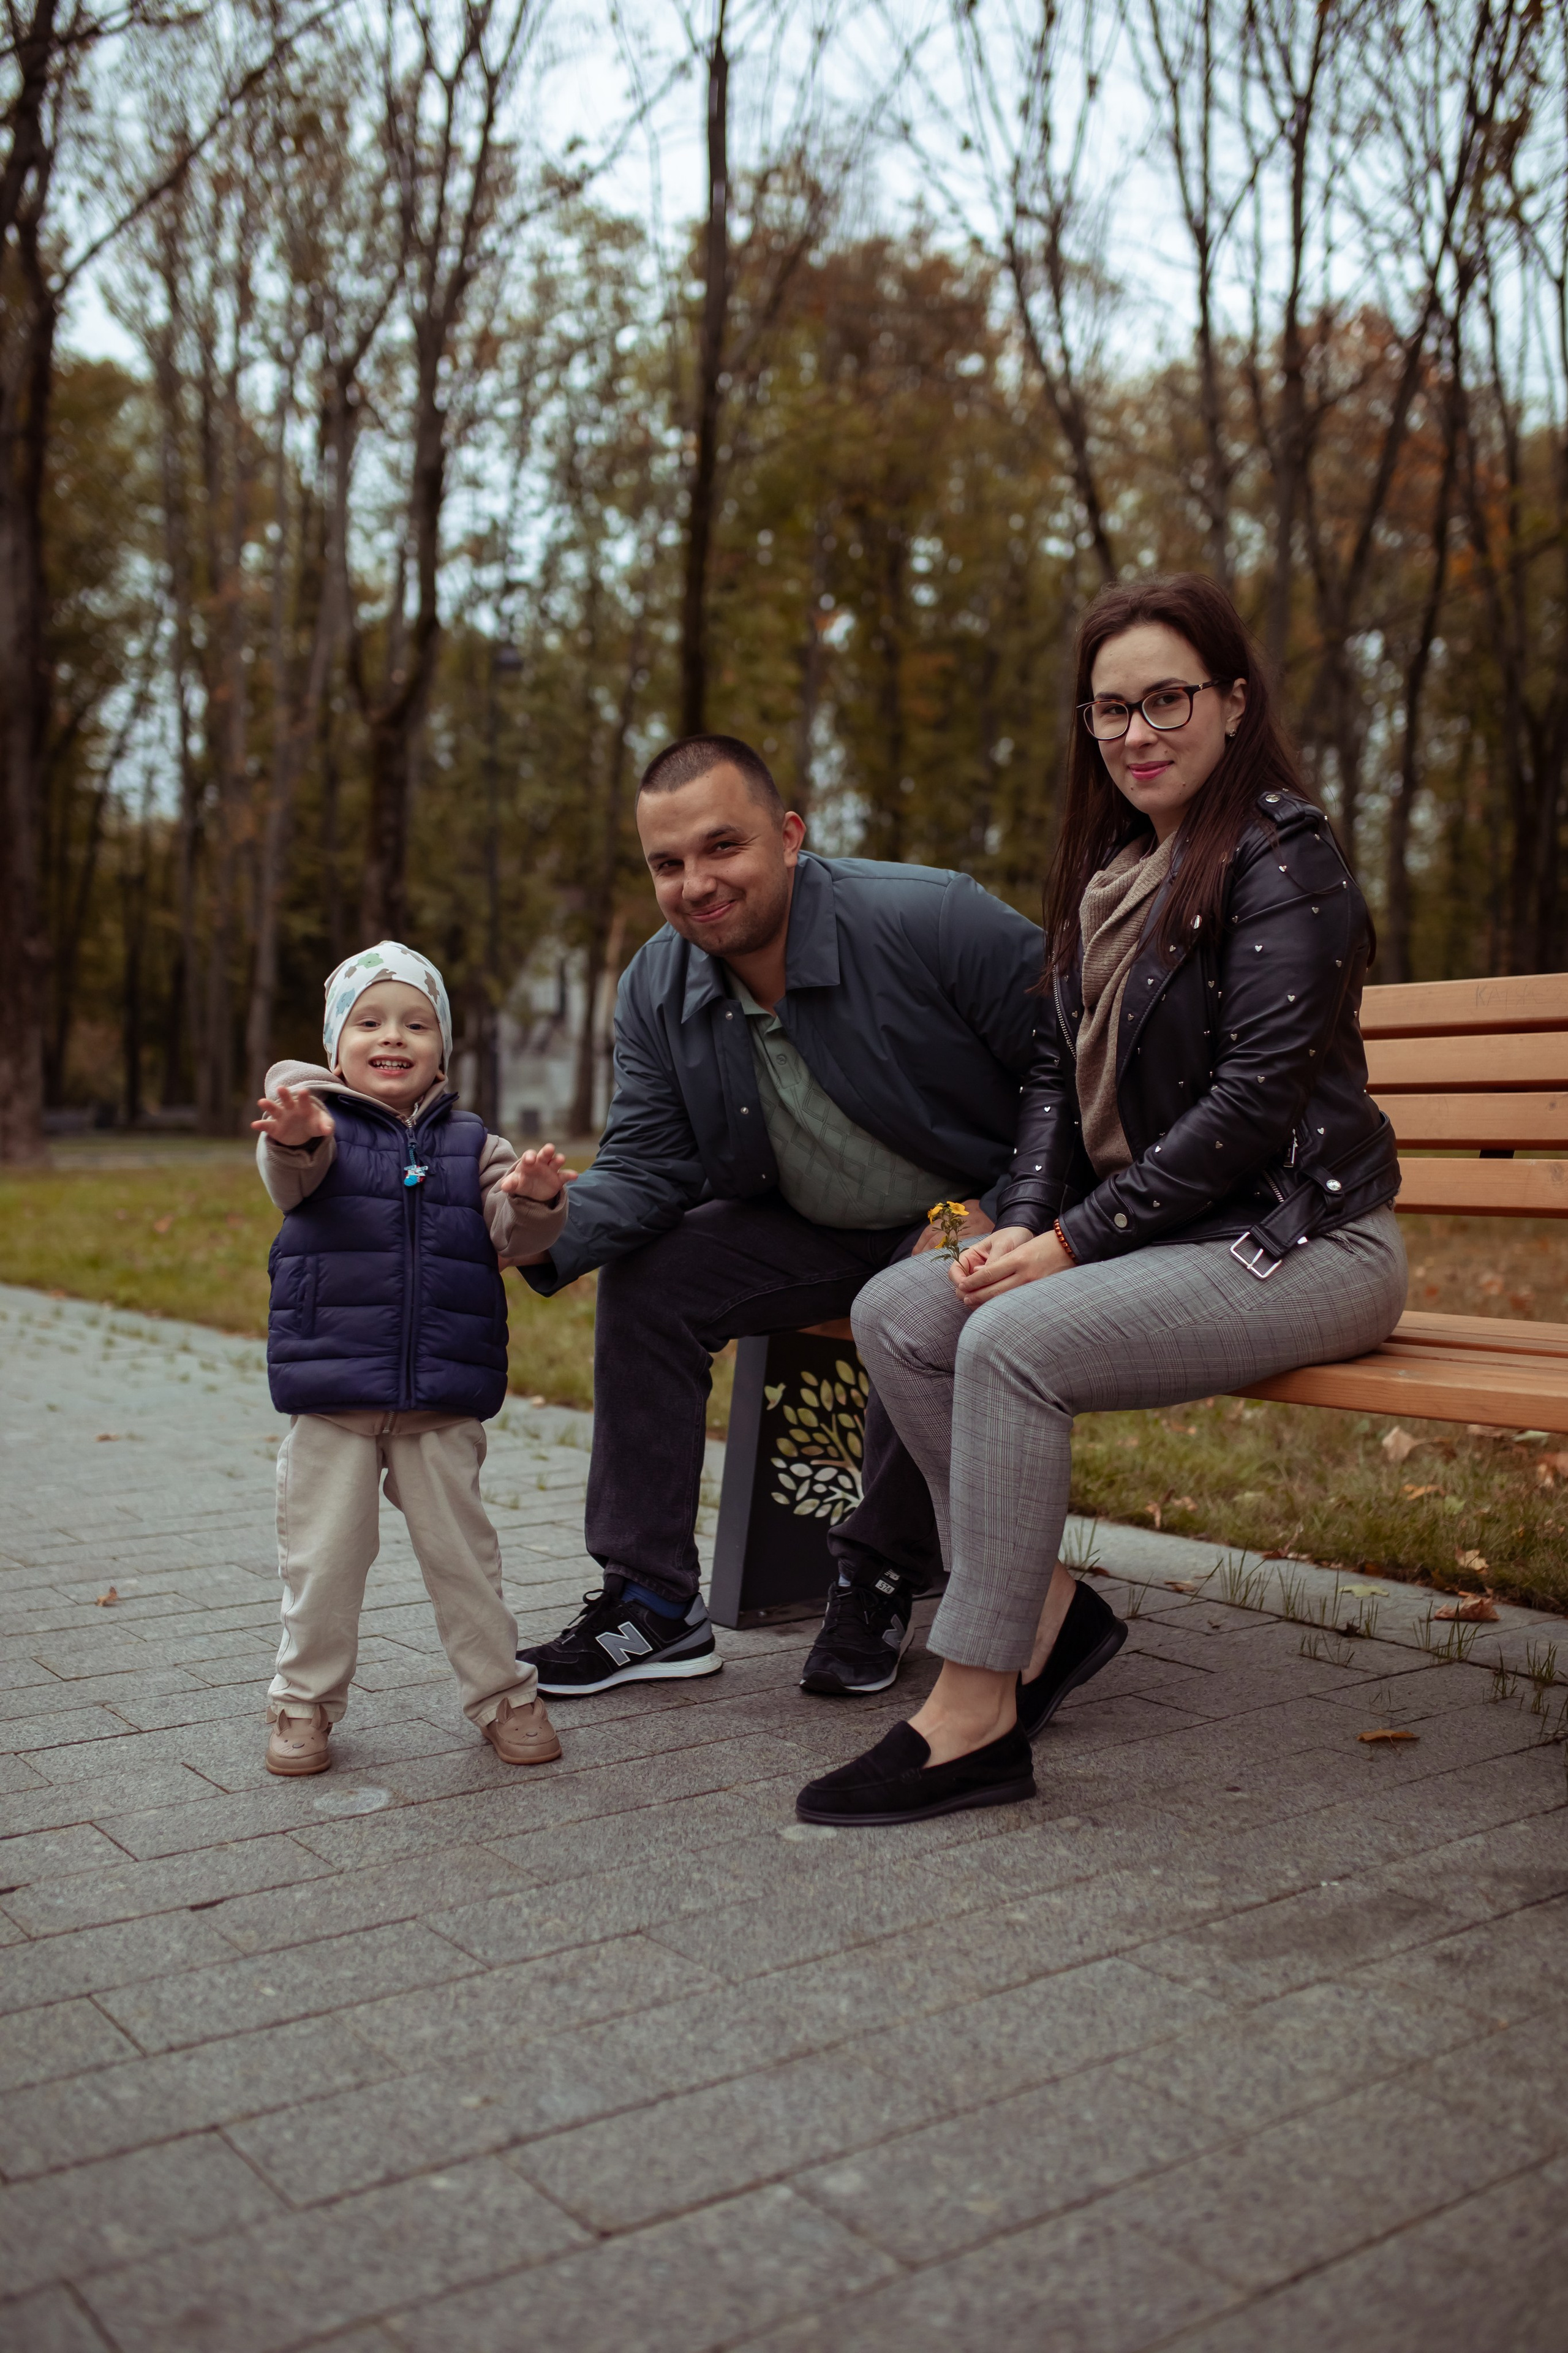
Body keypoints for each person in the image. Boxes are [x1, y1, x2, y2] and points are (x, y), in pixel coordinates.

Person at [797, 572, 1405, 1827]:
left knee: (1010, 1341)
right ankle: (1047, 1613)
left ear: (1233, 703)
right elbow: (1051, 1085)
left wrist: (1071, 1244)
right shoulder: (1115, 873)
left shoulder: (1286, 859)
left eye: (1166, 699)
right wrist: (1024, 1219)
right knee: (900, 1310)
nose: (1137, 732)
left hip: (1309, 1234)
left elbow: (1251, 1105)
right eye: (1111, 709)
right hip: (1176, 1228)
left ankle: (974, 1712)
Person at [511, 735, 1044, 1701]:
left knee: (921, 1297)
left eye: (724, 846)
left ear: (791, 835)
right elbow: (648, 1163)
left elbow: (1080, 1062)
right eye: (668, 863)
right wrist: (538, 1222)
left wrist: (1009, 1206)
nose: (696, 884)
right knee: (654, 1277)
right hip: (809, 1224)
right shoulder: (655, 985)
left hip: (967, 1218)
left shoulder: (931, 917)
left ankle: (880, 1573)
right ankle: (652, 1604)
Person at [253, 940, 572, 1777]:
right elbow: (290, 1178)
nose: (392, 1036)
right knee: (323, 1563)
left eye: (416, 1023)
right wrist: (294, 1139)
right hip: (334, 1394)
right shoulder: (314, 1127)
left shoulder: (474, 1145)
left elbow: (513, 1235)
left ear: (442, 1049)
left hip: (442, 1394)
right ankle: (302, 1701)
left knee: (467, 1562)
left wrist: (536, 1200)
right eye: (369, 1021)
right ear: (337, 1045)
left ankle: (503, 1693)